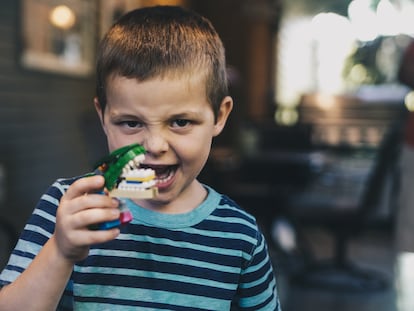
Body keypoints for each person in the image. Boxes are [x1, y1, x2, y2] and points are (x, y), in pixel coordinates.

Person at [0, 5, 281, 311]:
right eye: (131, 123)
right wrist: (60, 251)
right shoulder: (66, 208)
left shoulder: (240, 235)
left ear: (219, 116)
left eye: (181, 122)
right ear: (103, 117)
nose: (155, 145)